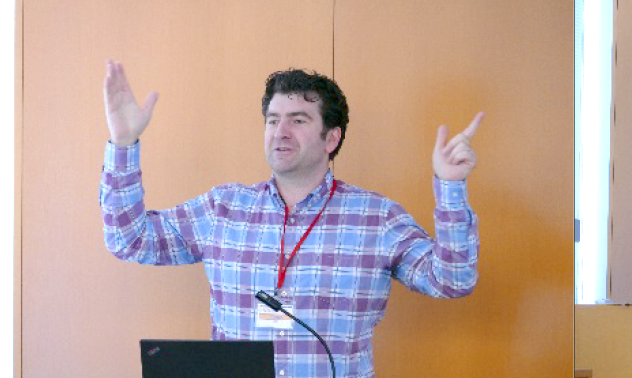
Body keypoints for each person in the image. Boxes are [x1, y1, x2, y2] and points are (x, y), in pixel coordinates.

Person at [99, 60, 484, 377]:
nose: (280, 132)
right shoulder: (222, 209)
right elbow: (129, 239)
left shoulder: (377, 219)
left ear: (331, 138)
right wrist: (123, 143)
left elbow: (451, 280)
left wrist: (450, 187)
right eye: (272, 119)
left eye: (298, 120)